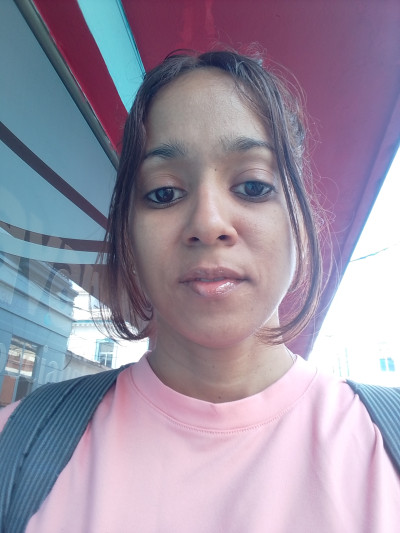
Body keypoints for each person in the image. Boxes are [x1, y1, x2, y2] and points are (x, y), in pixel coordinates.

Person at [1, 50, 399, 532]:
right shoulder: (14, 449)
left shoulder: (386, 444)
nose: (208, 224)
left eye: (253, 186)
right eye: (164, 193)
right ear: (128, 231)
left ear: (300, 218)